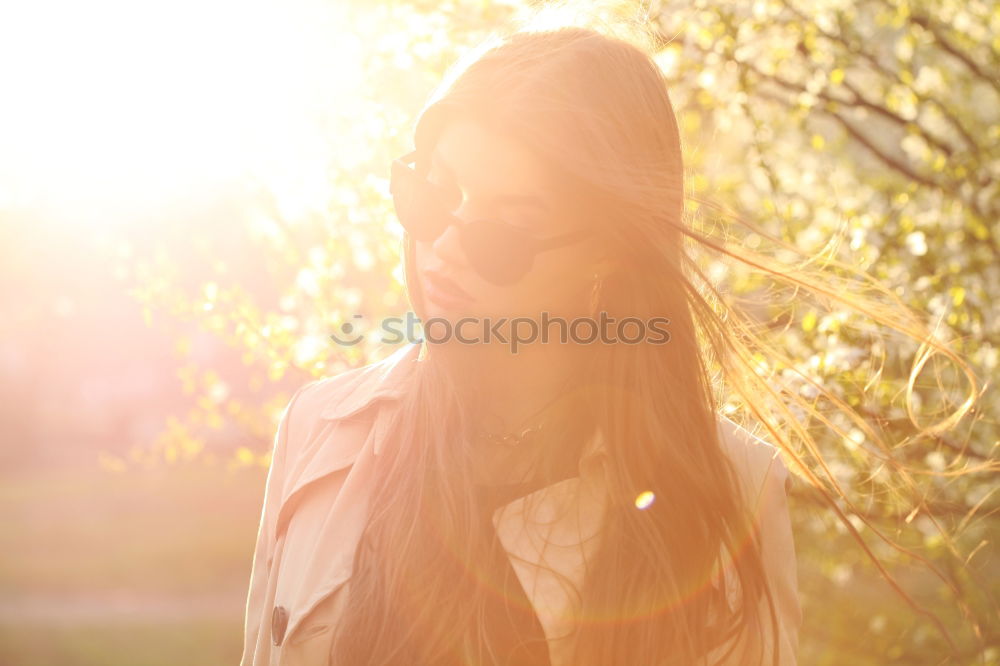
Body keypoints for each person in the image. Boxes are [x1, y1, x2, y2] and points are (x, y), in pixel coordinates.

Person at [242, 24, 807, 666]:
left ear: (607, 252)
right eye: (434, 191)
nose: (445, 247)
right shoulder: (318, 430)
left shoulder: (732, 487)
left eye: (508, 226)